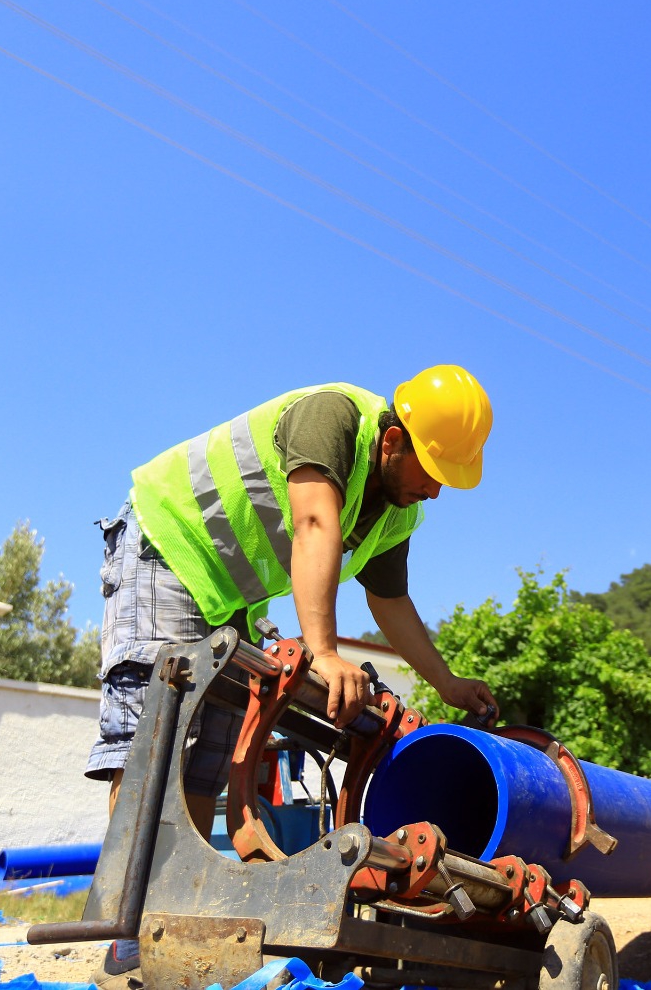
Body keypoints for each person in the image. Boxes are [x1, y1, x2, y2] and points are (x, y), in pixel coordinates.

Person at [85, 365, 500, 990]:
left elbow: (390, 604)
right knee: (156, 739)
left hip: (228, 597)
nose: (437, 493)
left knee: (203, 755)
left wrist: (446, 684)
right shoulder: (334, 419)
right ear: (393, 443)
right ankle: (123, 930)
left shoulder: (396, 512)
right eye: (434, 474)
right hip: (167, 547)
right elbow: (313, 523)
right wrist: (323, 651)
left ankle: (167, 923)